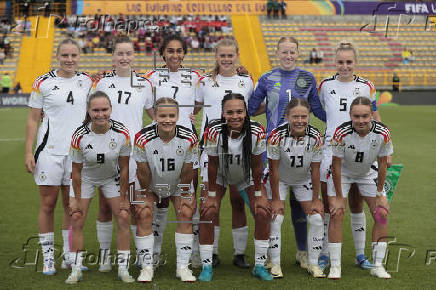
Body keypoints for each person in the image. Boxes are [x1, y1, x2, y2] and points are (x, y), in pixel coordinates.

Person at [248, 36, 326, 276]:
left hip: (303, 148)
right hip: (274, 149)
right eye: (285, 52)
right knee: (275, 206)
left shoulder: (308, 78)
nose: (288, 56)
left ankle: (303, 252)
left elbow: (319, 111)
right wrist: (272, 108)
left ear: (298, 52)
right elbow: (251, 109)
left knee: (301, 205)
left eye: (293, 52)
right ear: (277, 53)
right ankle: (273, 259)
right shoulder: (266, 78)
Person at [25, 39, 93, 275]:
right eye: (65, 55)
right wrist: (28, 151)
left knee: (72, 206)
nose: (70, 59)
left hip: (77, 155)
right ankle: (47, 259)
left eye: (74, 55)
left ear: (79, 56)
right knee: (48, 205)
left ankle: (70, 256)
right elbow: (34, 119)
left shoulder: (87, 81)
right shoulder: (42, 82)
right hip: (49, 153)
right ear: (58, 56)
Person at [318, 41, 383, 272]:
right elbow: (320, 111)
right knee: (331, 205)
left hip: (362, 149)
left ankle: (360, 255)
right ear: (335, 62)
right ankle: (325, 253)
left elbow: (374, 115)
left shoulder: (366, 85)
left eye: (348, 62)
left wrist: (380, 141)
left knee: (356, 202)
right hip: (331, 150)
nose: (344, 66)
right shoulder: (325, 85)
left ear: (355, 62)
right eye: (340, 62)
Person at [92, 35, 154, 272]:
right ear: (113, 56)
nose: (124, 57)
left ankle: (139, 254)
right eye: (120, 53)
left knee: (136, 205)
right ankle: (106, 256)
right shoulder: (103, 84)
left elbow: (153, 114)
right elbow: (92, 115)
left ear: (133, 55)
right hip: (107, 152)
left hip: (136, 154)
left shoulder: (144, 84)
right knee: (106, 206)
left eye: (128, 53)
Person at [194, 37, 255, 269]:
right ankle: (214, 252)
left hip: (240, 148)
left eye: (231, 55)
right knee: (211, 202)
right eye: (223, 55)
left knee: (238, 200)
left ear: (236, 55)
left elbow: (254, 107)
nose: (227, 59)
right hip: (210, 149)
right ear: (216, 56)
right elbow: (196, 106)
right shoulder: (205, 81)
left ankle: (239, 254)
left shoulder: (246, 80)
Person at [198, 93, 272, 281]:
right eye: (230, 112)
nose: (235, 116)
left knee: (263, 211)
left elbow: (256, 165)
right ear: (223, 114)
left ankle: (260, 265)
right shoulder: (213, 130)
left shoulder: (256, 131)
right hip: (220, 174)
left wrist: (258, 193)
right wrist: (212, 194)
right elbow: (213, 164)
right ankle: (207, 266)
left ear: (246, 112)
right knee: (208, 211)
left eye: (239, 111)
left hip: (245, 175)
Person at [145, 34, 202, 268]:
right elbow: (147, 106)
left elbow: (200, 102)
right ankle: (155, 253)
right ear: (163, 53)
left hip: (188, 144)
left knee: (189, 198)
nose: (175, 55)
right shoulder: (151, 78)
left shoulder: (196, 77)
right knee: (159, 200)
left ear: (184, 53)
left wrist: (190, 118)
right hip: (160, 145)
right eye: (170, 51)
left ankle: (195, 252)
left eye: (179, 51)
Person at [66, 91, 134, 284]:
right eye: (95, 110)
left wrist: (123, 197)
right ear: (89, 111)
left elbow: (125, 167)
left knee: (122, 216)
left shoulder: (122, 133)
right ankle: (76, 269)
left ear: (111, 109)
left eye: (104, 109)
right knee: (77, 218)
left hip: (111, 177)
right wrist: (75, 198)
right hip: (86, 178)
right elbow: (76, 171)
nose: (100, 114)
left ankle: (123, 268)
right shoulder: (79, 135)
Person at [133, 98, 198, 282]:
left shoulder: (189, 138)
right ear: (155, 116)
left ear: (178, 116)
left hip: (178, 183)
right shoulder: (141, 138)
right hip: (151, 183)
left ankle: (183, 268)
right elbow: (143, 172)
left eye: (171, 115)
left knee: (186, 212)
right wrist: (149, 195)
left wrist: (183, 195)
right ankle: (146, 267)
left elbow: (187, 171)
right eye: (162, 116)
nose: (167, 120)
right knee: (143, 212)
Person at [327, 96, 393, 279]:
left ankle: (377, 265)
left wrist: (380, 193)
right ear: (350, 116)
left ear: (371, 115)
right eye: (356, 116)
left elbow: (382, 164)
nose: (361, 120)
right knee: (337, 212)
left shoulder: (383, 132)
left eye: (365, 116)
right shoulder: (341, 133)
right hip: (344, 172)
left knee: (382, 213)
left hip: (368, 172)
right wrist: (340, 195)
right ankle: (335, 266)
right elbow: (336, 165)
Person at [266, 98, 325, 278]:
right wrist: (276, 199)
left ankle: (313, 264)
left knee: (316, 219)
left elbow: (316, 170)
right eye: (295, 116)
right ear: (287, 116)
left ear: (309, 116)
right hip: (279, 179)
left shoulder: (316, 137)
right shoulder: (276, 136)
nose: (300, 120)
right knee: (276, 218)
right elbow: (273, 170)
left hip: (303, 179)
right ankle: (274, 263)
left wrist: (316, 199)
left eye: (304, 116)